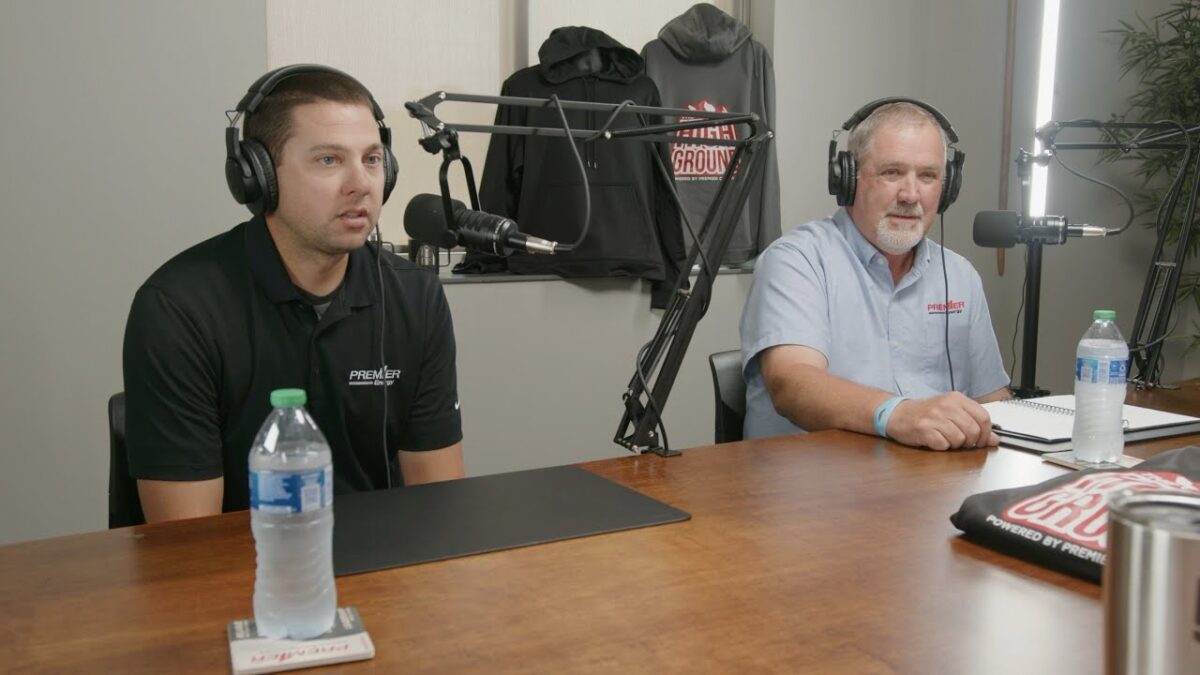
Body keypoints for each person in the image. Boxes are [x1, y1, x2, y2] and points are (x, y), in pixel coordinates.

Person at [123, 65, 464, 523]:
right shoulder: (178, 308)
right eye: (329, 160)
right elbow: (188, 544)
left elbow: (439, 508)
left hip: (385, 562)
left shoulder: (416, 297)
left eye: (372, 159)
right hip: (245, 563)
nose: (362, 183)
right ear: (258, 176)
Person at [739, 99, 1010, 450]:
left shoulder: (959, 276)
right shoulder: (797, 261)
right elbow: (792, 384)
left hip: (928, 477)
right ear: (848, 177)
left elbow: (993, 400)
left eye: (928, 176)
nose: (910, 195)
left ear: (948, 187)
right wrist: (898, 415)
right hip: (810, 478)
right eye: (891, 173)